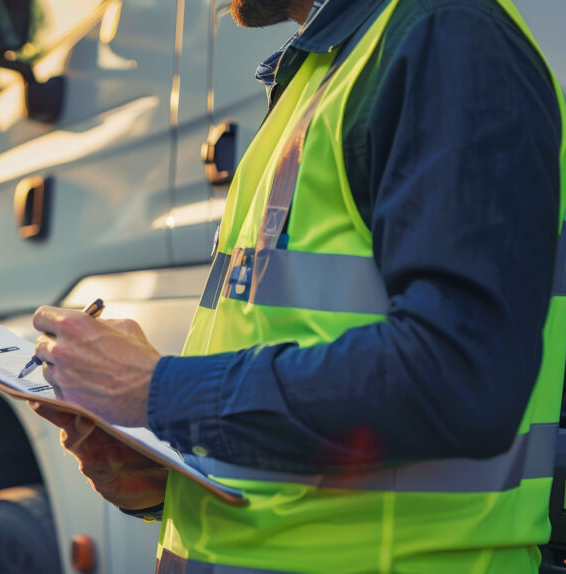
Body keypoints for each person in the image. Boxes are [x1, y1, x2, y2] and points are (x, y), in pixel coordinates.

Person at [30, 0, 566, 571]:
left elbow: (460, 379)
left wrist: (159, 391)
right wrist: (169, 465)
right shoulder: (324, 71)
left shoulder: (448, 38)